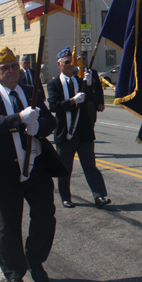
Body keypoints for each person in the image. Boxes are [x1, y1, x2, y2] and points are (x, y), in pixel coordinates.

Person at [0, 47, 67, 282]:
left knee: (45, 218)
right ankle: (14, 273)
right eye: (4, 68)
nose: (11, 71)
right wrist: (20, 118)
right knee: (7, 226)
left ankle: (35, 261)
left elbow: (50, 120)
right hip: (3, 171)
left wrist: (40, 128)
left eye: (14, 66)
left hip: (36, 168)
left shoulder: (31, 91)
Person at [47, 46, 111, 209]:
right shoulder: (54, 84)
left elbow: (92, 97)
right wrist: (72, 101)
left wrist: (89, 85)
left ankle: (99, 196)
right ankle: (66, 197)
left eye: (72, 62)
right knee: (65, 168)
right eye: (66, 62)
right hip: (66, 133)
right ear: (58, 64)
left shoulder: (80, 81)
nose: (70, 65)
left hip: (84, 132)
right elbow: (53, 106)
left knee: (90, 165)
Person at [73, 52, 105, 128]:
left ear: (87, 60)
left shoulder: (92, 72)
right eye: (79, 59)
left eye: (83, 58)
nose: (82, 61)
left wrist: (101, 102)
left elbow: (98, 88)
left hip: (90, 103)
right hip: (79, 103)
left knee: (91, 123)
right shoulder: (73, 73)